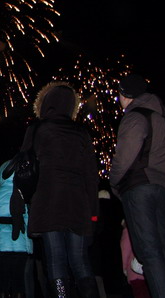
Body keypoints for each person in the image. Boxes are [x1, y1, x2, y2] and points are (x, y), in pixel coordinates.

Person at [109, 73, 165, 298]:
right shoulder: (161, 119)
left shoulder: (135, 117)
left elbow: (124, 158)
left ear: (125, 95)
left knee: (150, 254)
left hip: (139, 189)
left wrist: (114, 182)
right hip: (163, 190)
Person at [26, 81, 100, 298]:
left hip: (48, 202)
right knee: (80, 260)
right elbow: (91, 176)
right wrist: (93, 214)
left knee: (55, 261)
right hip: (78, 204)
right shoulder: (81, 132)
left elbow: (25, 167)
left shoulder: (38, 129)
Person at [0, 160, 34, 298]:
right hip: (20, 242)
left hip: (0, 242)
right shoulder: (23, 194)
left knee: (2, 280)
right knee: (19, 281)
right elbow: (28, 220)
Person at [120, 219, 150, 298]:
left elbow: (125, 250)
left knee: (140, 294)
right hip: (148, 270)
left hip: (135, 271)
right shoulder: (146, 229)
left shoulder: (128, 232)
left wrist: (124, 268)